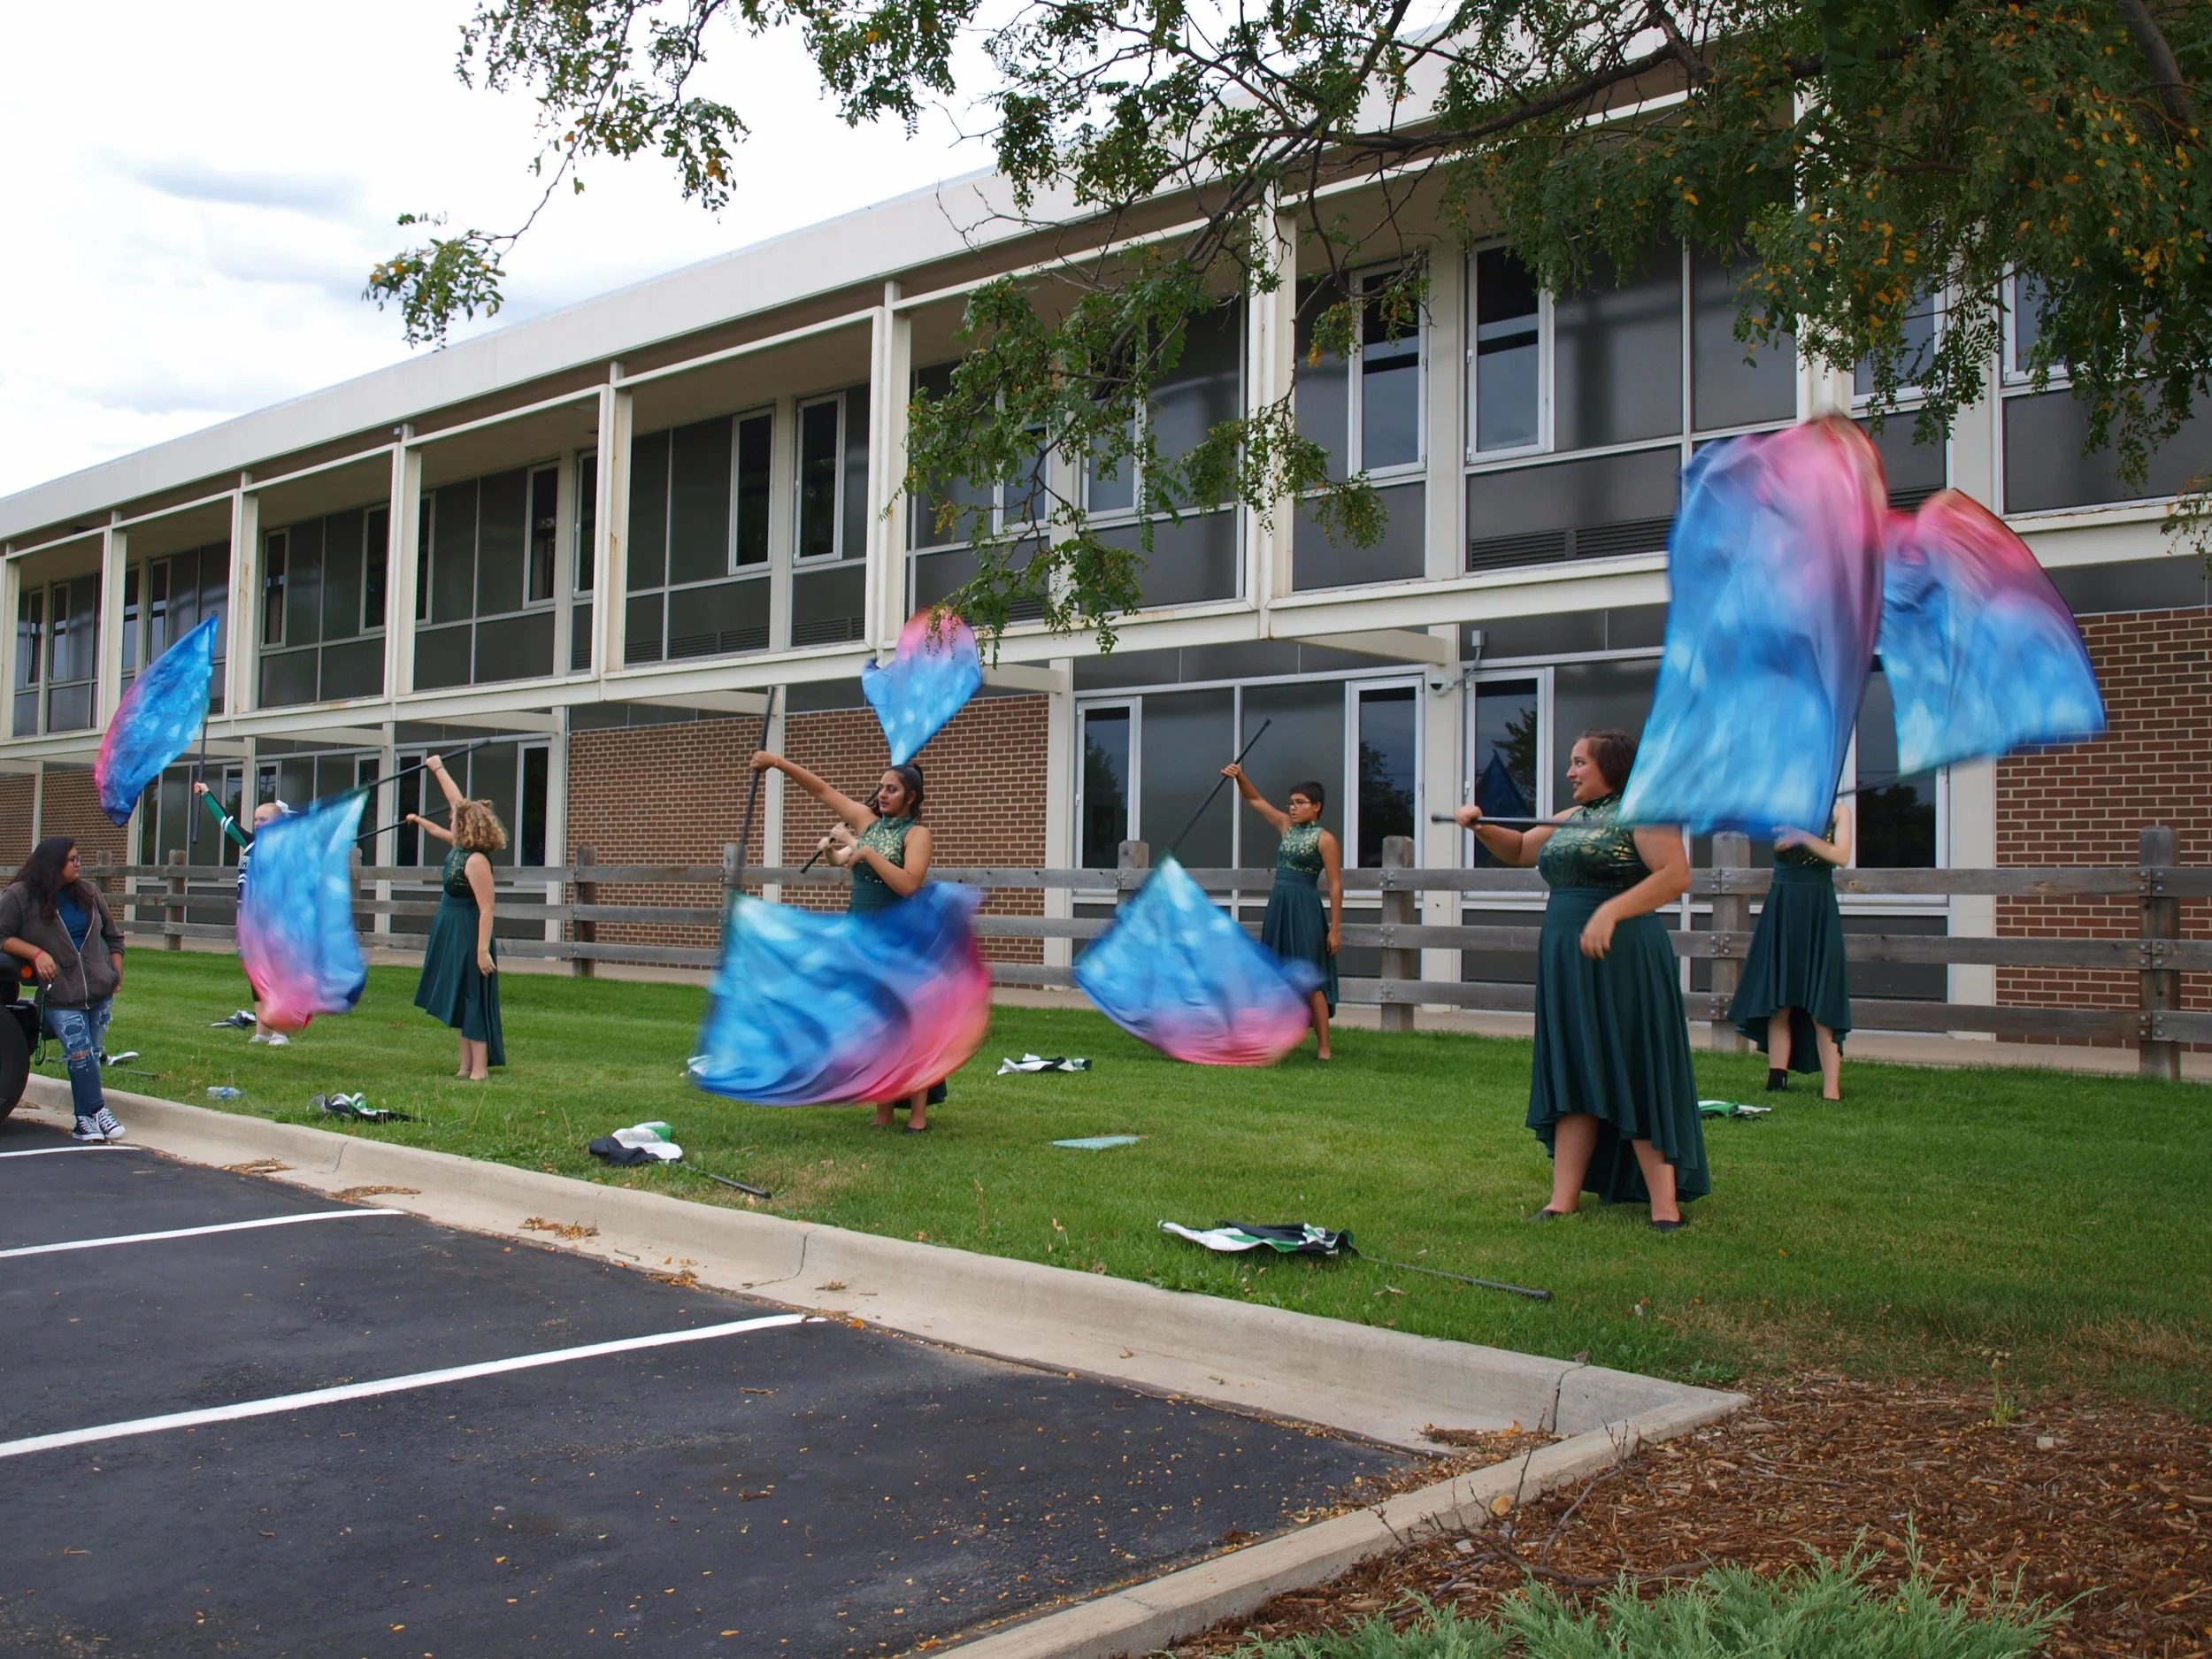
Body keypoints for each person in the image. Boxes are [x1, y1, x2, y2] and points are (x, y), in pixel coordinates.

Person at [1455, 728, 1708, 1229]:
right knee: (1574, 1063)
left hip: (1624, 955)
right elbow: (1523, 849)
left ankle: (1664, 1205)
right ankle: (1562, 1198)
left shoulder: (1644, 812)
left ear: (1611, 766)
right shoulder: (1570, 818)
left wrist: (1611, 913)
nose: (1569, 772)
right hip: (1568, 959)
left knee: (1632, 1062)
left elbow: (1676, 876)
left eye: (1579, 763)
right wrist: (1481, 828)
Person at [749, 750, 943, 1131]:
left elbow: (908, 884)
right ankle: (883, 1110)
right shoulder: (866, 822)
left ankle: (918, 1115)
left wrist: (867, 852)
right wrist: (777, 763)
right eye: (881, 788)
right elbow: (822, 790)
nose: (882, 794)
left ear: (911, 798)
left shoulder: (917, 834)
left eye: (892, 789)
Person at [0, 838, 127, 1141]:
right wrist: (36, 953)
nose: (78, 863)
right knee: (79, 1054)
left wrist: (115, 973)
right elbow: (1, 935)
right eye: (72, 859)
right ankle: (98, 1110)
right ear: (53, 865)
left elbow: (114, 937)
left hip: (98, 991)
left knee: (92, 1055)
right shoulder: (20, 897)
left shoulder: (89, 894)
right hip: (61, 993)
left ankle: (84, 1120)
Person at [1732, 802, 1854, 1101]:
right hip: (1784, 905)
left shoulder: (1839, 810)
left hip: (1819, 907)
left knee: (1821, 999)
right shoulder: (1780, 807)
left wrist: (1804, 837)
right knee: (1779, 998)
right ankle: (1777, 1080)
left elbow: (1841, 856)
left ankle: (1832, 1090)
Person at [1223, 764, 1341, 1060]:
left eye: (1300, 803)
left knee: (1311, 975)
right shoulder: (1286, 827)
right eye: (1291, 803)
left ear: (1317, 807)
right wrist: (1241, 777)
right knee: (1275, 971)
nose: (1293, 808)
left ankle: (1324, 1047)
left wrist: (1336, 929)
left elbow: (1336, 887)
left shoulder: (1325, 839)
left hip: (1305, 908)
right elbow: (1255, 801)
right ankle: (1271, 1040)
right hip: (1280, 904)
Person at [406, 754, 505, 1080]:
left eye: (454, 818)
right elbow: (450, 811)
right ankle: (464, 1066)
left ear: (463, 825)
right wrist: (420, 820)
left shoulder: (476, 860)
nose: (449, 819)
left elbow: (487, 907)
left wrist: (481, 951)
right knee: (459, 996)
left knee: (473, 995)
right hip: (450, 928)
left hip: (469, 931)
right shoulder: (458, 847)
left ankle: (480, 1069)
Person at [195, 782, 294, 1045]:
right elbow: (227, 823)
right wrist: (207, 794)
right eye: (256, 819)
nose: (258, 823)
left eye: (264, 819)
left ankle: (280, 1032)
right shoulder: (250, 843)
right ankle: (261, 1032)